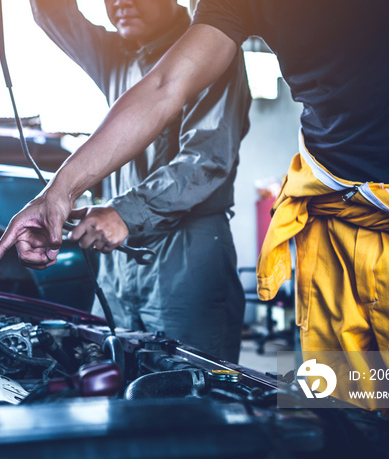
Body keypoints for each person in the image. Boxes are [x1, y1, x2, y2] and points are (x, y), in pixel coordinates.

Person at [0, 0, 389, 445]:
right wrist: (57, 192)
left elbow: (205, 159)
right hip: (334, 218)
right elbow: (165, 86)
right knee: (341, 412)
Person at [23, 0, 251, 362]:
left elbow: (207, 159)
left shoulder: (213, 45)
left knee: (191, 396)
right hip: (117, 263)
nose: (121, 3)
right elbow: (52, 12)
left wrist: (126, 213)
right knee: (114, 381)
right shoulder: (115, 55)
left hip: (187, 260)